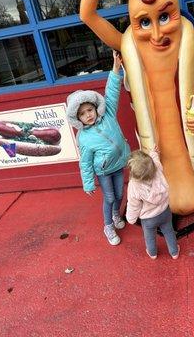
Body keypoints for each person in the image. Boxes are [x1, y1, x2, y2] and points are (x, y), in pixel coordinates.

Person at [79, 0, 194, 215]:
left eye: (165, 17)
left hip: (188, 133)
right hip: (157, 142)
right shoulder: (130, 44)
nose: (157, 34)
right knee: (178, 203)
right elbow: (87, 15)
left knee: (191, 193)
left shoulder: (193, 39)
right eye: (145, 22)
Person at [66, 50, 130, 246]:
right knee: (109, 197)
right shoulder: (84, 138)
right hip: (103, 171)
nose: (88, 115)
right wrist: (87, 183)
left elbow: (111, 92)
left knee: (120, 195)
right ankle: (108, 225)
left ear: (95, 108)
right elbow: (84, 163)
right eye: (83, 114)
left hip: (118, 164)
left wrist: (115, 69)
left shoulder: (107, 114)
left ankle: (116, 215)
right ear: (78, 118)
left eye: (90, 110)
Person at [126, 146, 180, 260]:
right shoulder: (157, 169)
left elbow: (133, 205)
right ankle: (174, 252)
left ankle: (152, 253)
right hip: (165, 211)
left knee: (149, 236)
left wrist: (131, 219)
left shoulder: (134, 186)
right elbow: (155, 161)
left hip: (148, 218)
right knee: (169, 231)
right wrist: (153, 153)